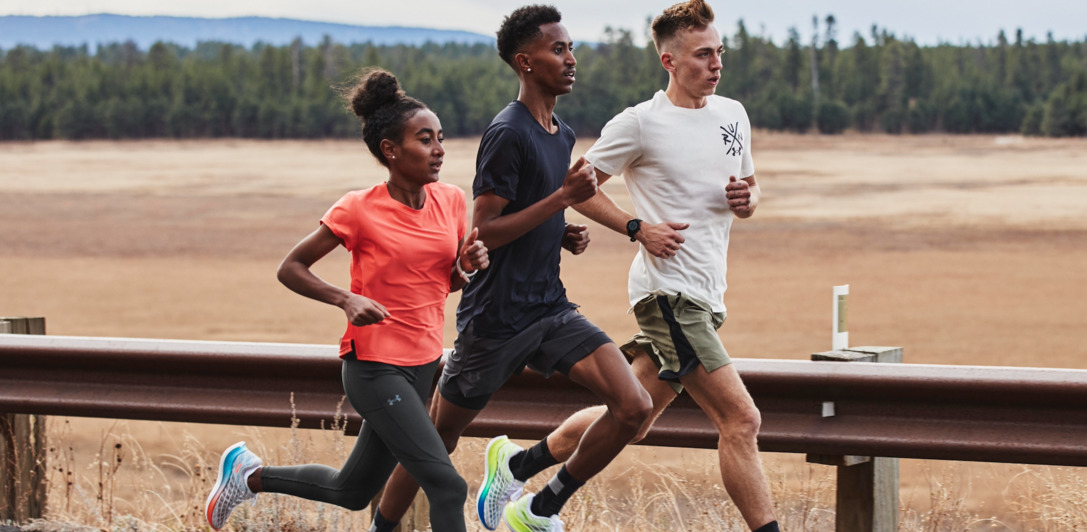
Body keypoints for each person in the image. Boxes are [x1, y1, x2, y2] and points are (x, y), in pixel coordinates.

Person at [484, 1, 783, 531]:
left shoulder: (733, 114)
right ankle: (541, 509)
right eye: (702, 55)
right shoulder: (641, 123)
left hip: (708, 296)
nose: (716, 64)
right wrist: (635, 227)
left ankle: (518, 468)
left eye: (719, 53)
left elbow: (750, 187)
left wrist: (748, 199)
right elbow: (575, 191)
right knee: (741, 419)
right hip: (668, 297)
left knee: (635, 415)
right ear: (669, 61)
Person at [369, 5, 652, 532]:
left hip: (549, 308)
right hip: (496, 320)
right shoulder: (508, 132)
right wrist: (561, 200)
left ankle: (538, 505)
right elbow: (485, 231)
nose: (571, 59)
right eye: (558, 49)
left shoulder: (560, 132)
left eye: (571, 48)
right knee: (437, 438)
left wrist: (558, 230)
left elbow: (533, 206)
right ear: (525, 61)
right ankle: (381, 528)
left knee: (634, 406)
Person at [203, 69, 487, 532]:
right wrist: (346, 300)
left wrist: (467, 267)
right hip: (374, 367)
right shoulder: (359, 208)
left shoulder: (451, 201)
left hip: (423, 363)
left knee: (352, 490)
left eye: (440, 138)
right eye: (425, 140)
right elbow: (290, 267)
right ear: (390, 150)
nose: (439, 150)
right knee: (447, 485)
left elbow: (443, 281)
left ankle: (248, 476)